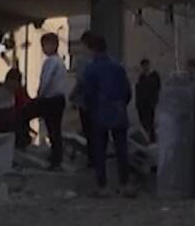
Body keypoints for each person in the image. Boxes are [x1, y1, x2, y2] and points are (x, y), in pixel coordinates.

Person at [83, 36, 134, 196]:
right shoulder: (118, 67)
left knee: (100, 150)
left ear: (92, 49)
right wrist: (121, 105)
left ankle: (102, 186)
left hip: (99, 112)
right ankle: (124, 184)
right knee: (121, 149)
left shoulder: (91, 68)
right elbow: (127, 91)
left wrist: (90, 108)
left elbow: (88, 93)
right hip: (118, 111)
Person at [22, 32, 71, 170]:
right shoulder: (60, 62)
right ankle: (56, 158)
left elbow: (46, 80)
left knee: (23, 114)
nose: (43, 48)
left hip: (50, 99)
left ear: (53, 45)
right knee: (54, 129)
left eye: (44, 45)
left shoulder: (51, 61)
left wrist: (39, 95)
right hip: (58, 99)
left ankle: (23, 140)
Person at [69, 31, 95, 165]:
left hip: (85, 101)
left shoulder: (82, 59)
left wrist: (72, 95)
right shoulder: (98, 58)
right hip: (98, 101)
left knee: (88, 131)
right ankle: (97, 158)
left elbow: (81, 80)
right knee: (96, 131)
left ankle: (91, 159)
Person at [0, 69, 32, 150]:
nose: (14, 85)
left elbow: (27, 105)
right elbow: (1, 111)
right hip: (5, 126)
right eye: (12, 81)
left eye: (16, 82)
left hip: (16, 127)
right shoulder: (3, 92)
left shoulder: (19, 92)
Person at [135, 58, 161, 142]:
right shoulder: (141, 77)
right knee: (144, 121)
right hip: (142, 103)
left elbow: (158, 87)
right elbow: (139, 90)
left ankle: (152, 138)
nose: (145, 67)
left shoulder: (154, 75)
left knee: (151, 121)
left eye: (146, 65)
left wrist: (155, 100)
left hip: (151, 102)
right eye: (143, 66)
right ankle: (147, 138)